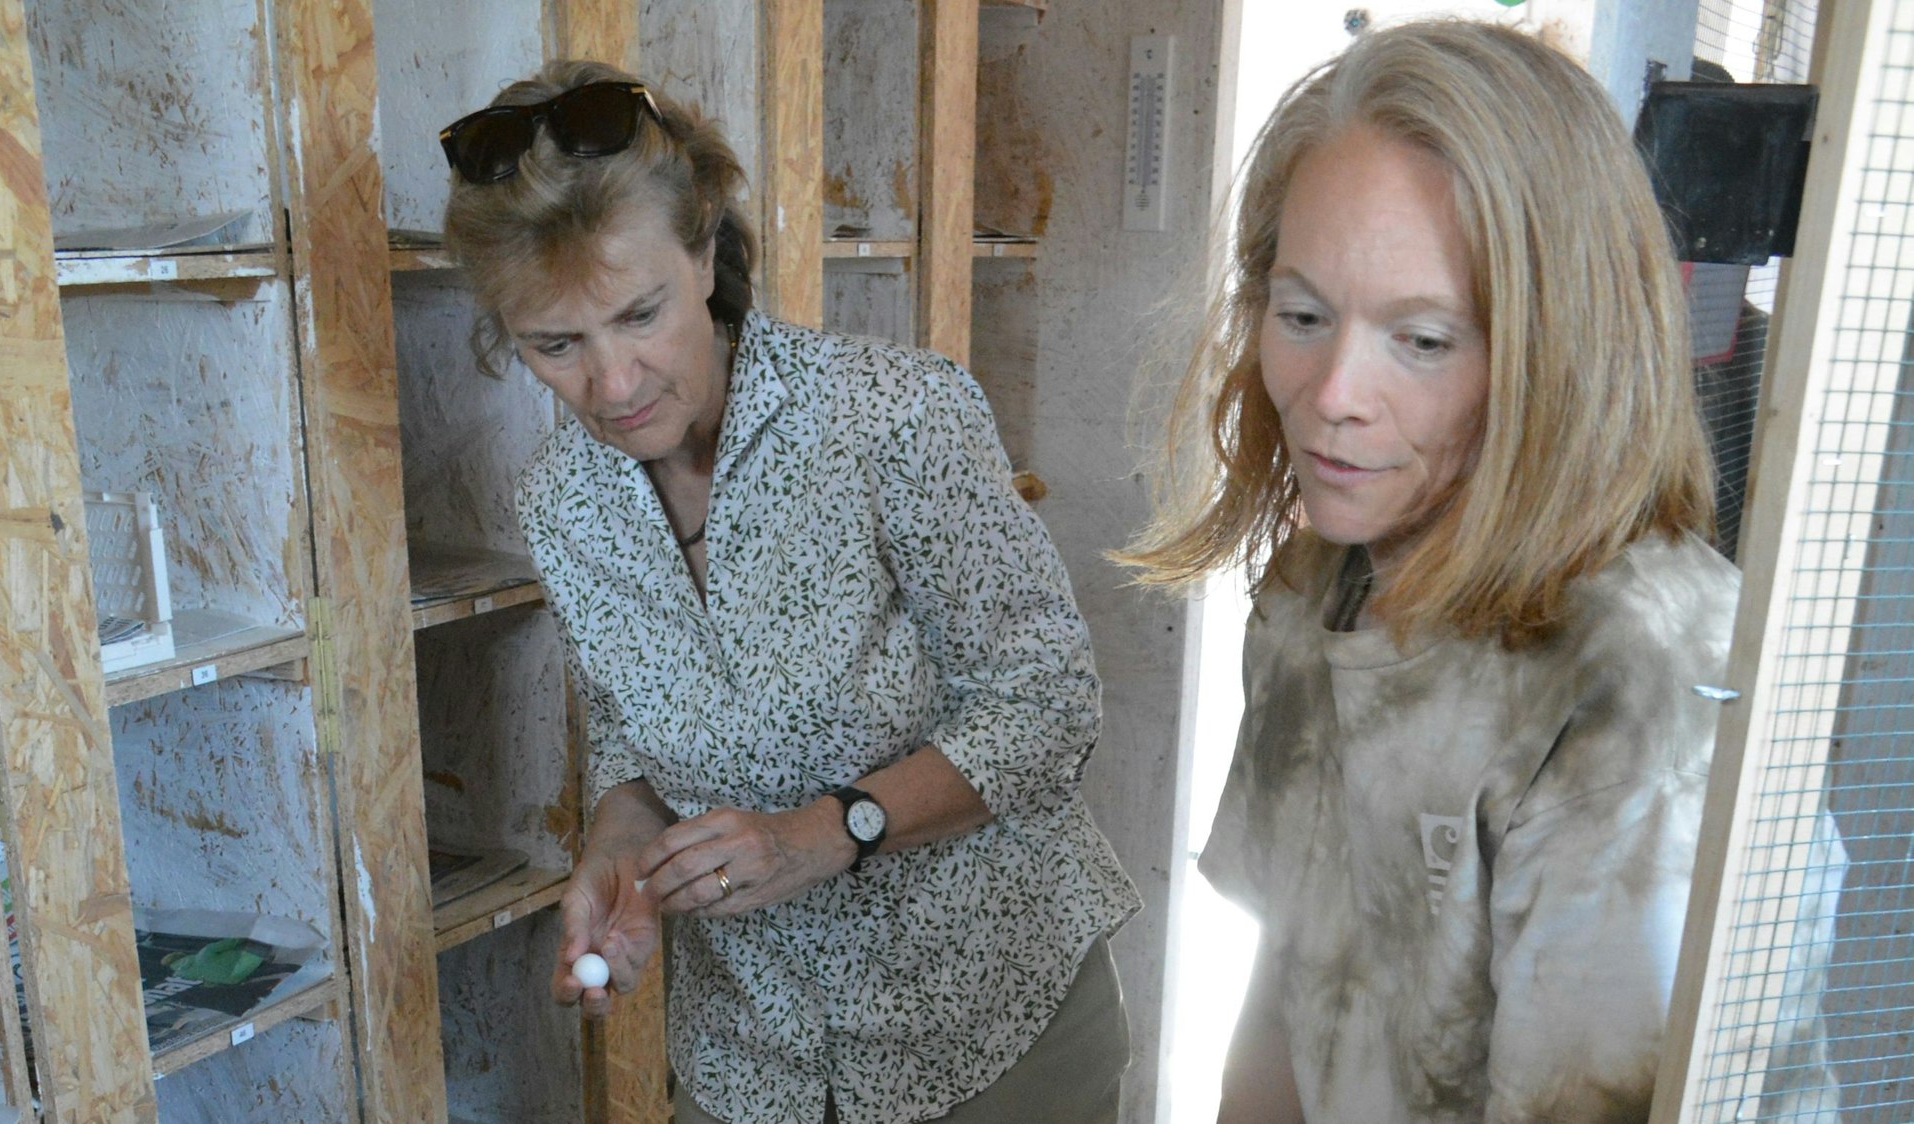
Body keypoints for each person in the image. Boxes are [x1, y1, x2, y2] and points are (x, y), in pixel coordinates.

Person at [1117, 19, 1842, 1122]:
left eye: (1424, 339)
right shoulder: (1323, 582)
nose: (1332, 392)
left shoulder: (1648, 693)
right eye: (1303, 315)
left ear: (1559, 351)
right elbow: (1289, 991)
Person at [439, 61, 1140, 1124]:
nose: (614, 383)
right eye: (556, 345)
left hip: (989, 1036)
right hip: (751, 1056)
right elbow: (637, 738)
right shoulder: (561, 504)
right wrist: (619, 849)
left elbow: (1046, 706)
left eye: (640, 314)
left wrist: (827, 828)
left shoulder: (891, 416)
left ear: (707, 251)